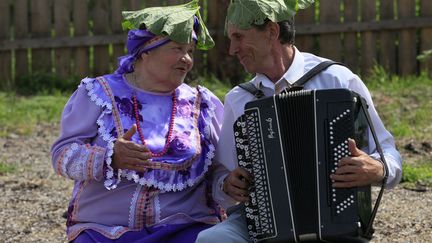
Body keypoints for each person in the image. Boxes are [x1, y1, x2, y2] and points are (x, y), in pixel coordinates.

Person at [195, 0, 403, 242]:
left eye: (239, 37)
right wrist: (227, 185)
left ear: (272, 31)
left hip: (336, 222)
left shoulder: (337, 79)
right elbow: (222, 176)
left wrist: (378, 169)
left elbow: (387, 151)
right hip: (261, 224)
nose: (232, 49)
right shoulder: (239, 99)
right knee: (211, 240)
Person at [50, 1, 232, 242]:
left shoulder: (203, 104)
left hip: (185, 228)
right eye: (177, 49)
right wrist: (108, 157)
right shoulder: (99, 94)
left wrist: (228, 184)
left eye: (191, 51)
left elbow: (220, 171)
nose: (187, 59)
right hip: (105, 230)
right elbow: (62, 156)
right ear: (146, 50)